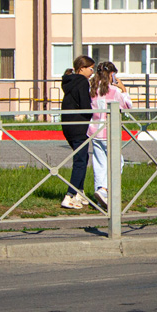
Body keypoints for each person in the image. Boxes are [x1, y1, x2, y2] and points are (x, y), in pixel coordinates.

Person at [88, 61, 134, 209]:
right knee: (117, 162)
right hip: (110, 132)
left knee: (99, 164)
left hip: (95, 131)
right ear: (112, 74)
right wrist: (123, 88)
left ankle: (99, 195)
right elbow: (128, 105)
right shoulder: (114, 91)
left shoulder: (92, 88)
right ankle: (105, 191)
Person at [59, 55, 95, 209]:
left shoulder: (69, 81)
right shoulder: (81, 81)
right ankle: (69, 195)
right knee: (80, 161)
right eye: (90, 68)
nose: (92, 72)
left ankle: (79, 192)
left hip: (68, 125)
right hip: (79, 125)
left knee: (82, 157)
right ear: (82, 68)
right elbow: (85, 104)